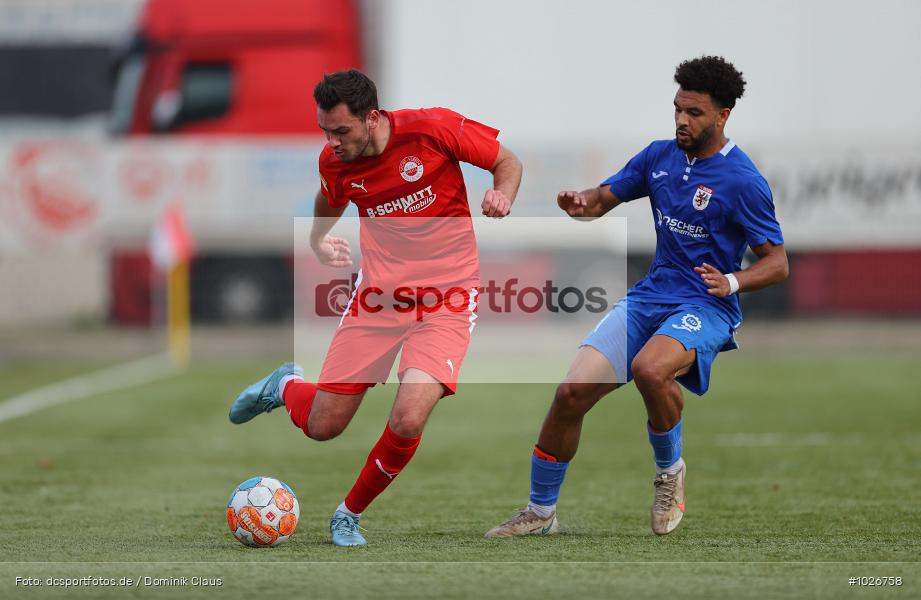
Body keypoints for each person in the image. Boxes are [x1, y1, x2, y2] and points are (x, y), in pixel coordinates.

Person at [485, 56, 788, 538]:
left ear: (723, 115)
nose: (681, 121)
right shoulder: (658, 157)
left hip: (705, 305)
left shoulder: (744, 181)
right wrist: (580, 204)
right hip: (650, 297)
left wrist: (730, 282)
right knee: (570, 394)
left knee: (651, 368)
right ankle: (540, 513)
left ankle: (670, 473)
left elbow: (777, 263)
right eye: (677, 110)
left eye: (694, 113)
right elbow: (602, 198)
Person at [229, 69, 521, 546]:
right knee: (324, 426)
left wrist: (501, 194)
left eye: (341, 131)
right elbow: (330, 196)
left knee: (408, 416)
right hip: (378, 300)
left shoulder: (433, 128)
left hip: (448, 299)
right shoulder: (336, 160)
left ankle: (348, 515)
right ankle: (285, 385)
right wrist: (319, 238)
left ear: (372, 118)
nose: (332, 142)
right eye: (325, 130)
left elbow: (507, 161)